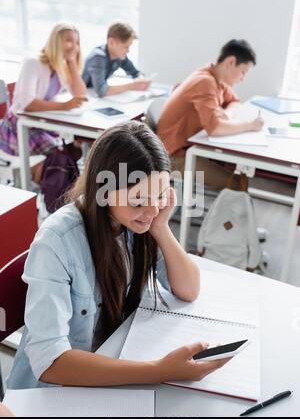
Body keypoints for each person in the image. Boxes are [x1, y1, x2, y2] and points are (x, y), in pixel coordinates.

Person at [7, 122, 229, 389]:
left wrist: (160, 228)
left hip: (114, 363)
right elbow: (50, 363)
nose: (151, 210)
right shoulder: (57, 242)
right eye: (138, 201)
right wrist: (159, 371)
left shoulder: (138, 224)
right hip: (57, 393)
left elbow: (189, 289)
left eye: (160, 195)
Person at [157, 39, 264, 189]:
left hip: (190, 147)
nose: (242, 79)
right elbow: (215, 129)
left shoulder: (215, 78)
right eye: (243, 72)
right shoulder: (205, 82)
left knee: (235, 170)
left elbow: (235, 101)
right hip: (174, 157)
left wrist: (226, 115)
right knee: (237, 184)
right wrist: (250, 125)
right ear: (231, 61)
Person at [0, 23, 87, 183]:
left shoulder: (60, 66)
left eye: (77, 42)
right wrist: (65, 106)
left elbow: (81, 94)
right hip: (19, 126)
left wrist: (72, 63)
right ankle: (55, 196)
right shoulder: (33, 63)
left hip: (41, 126)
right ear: (56, 41)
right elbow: (27, 103)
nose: (74, 46)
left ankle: (60, 192)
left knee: (74, 150)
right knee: (60, 155)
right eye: (69, 40)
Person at [82, 22, 151, 97]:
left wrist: (141, 80)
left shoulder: (119, 56)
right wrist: (133, 86)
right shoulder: (98, 57)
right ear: (111, 42)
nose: (128, 51)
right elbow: (101, 91)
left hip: (98, 97)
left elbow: (135, 72)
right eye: (125, 47)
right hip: (86, 95)